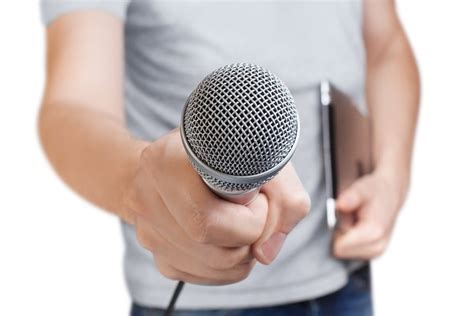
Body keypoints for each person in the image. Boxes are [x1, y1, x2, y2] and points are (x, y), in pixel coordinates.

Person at [38, 0, 420, 315]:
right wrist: (139, 187)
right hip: (197, 301)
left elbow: (386, 46)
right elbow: (72, 106)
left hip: (345, 277)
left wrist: (391, 176)